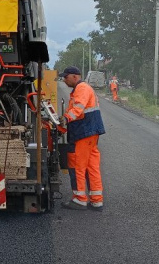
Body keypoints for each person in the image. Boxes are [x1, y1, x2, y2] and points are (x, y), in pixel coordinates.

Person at [59, 67, 106, 211]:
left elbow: (78, 109)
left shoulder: (82, 88)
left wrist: (65, 119)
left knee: (79, 166)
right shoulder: (80, 89)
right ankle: (96, 201)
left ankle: (80, 199)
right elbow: (75, 111)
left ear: (74, 76)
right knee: (92, 167)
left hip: (84, 133)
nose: (64, 80)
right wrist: (63, 126)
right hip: (89, 133)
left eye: (66, 77)